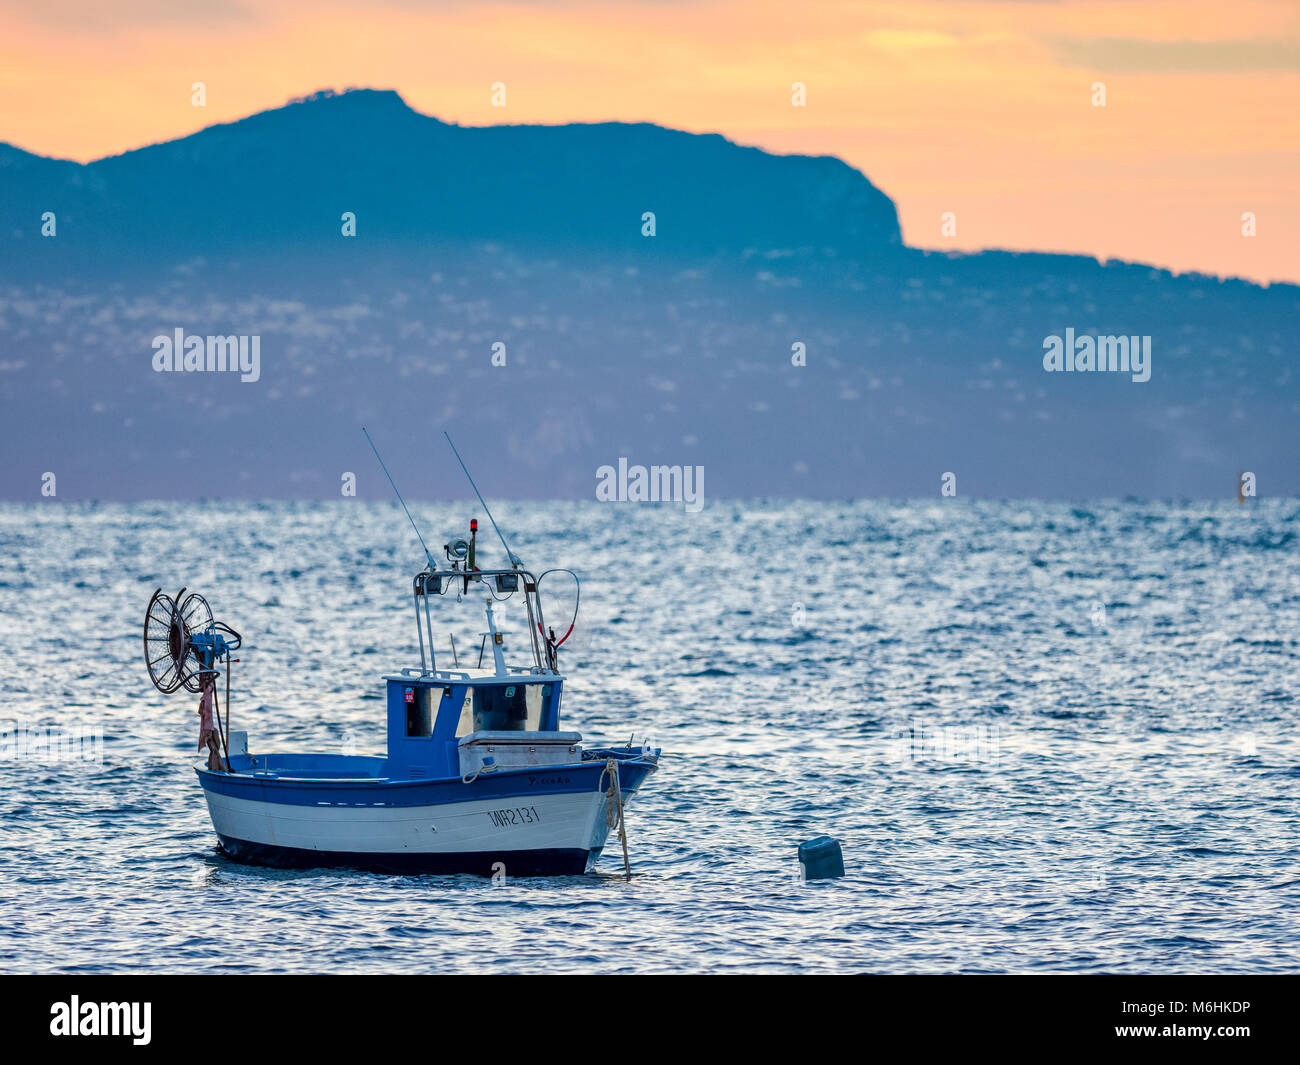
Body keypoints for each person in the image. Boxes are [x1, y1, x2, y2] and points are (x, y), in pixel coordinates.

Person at [197, 675, 224, 770]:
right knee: (214, 749)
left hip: (209, 728)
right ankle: (217, 769)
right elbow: (202, 712)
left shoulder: (207, 695)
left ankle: (217, 768)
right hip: (208, 728)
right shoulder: (205, 697)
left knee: (214, 748)